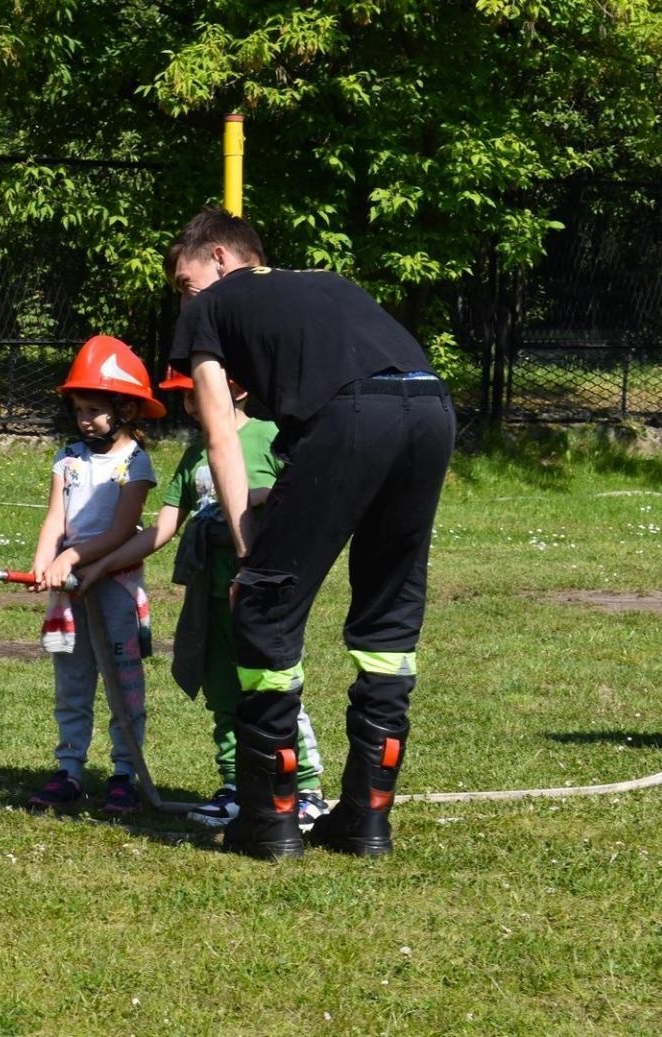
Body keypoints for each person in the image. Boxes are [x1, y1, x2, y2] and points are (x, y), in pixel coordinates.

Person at [163, 208, 455, 859]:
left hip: (353, 411)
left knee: (264, 611)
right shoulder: (324, 283)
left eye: (183, 283)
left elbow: (220, 433)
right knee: (388, 621)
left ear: (218, 257)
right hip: (432, 405)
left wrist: (247, 554)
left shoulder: (210, 304)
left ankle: (270, 822)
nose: (184, 300)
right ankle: (365, 818)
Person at [78, 366, 327, 831]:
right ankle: (237, 787)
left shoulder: (271, 436)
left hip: (261, 587)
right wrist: (101, 566)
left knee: (273, 687)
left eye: (198, 393)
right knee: (222, 691)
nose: (192, 404)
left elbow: (305, 501)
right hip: (208, 594)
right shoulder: (195, 453)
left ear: (240, 388)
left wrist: (258, 495)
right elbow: (164, 527)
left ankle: (306, 789)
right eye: (186, 396)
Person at [24, 334, 163, 818]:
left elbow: (123, 529)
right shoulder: (68, 458)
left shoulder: (134, 464)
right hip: (70, 588)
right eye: (79, 409)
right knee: (73, 680)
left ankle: (124, 774)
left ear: (125, 409)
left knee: (124, 682)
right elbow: (55, 519)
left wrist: (72, 558)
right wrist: (46, 558)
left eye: (95, 410)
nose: (85, 420)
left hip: (115, 588)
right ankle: (69, 770)